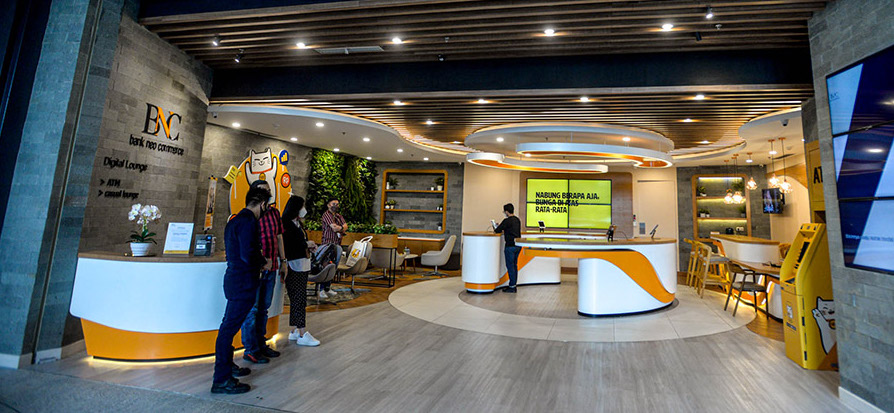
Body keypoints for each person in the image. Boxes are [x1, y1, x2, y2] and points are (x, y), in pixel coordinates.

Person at [211, 186, 272, 395]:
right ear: (262, 204)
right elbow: (248, 254)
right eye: (266, 206)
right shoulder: (249, 222)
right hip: (243, 283)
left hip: (234, 280)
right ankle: (221, 379)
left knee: (228, 327)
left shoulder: (234, 221)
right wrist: (264, 262)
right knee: (228, 329)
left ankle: (227, 367)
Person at [240, 180, 286, 364]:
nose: (267, 195)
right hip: (256, 269)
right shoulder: (249, 215)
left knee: (264, 308)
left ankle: (261, 343)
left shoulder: (274, 213)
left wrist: (283, 261)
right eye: (262, 192)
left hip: (272, 267)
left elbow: (279, 237)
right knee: (252, 310)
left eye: (268, 191)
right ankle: (251, 349)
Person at [281, 196, 321, 346]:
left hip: (302, 263)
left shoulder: (297, 224)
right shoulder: (286, 224)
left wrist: (308, 246)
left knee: (298, 298)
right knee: (298, 298)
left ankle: (294, 330)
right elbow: (289, 245)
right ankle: (302, 332)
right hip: (293, 265)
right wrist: (305, 244)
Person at [319, 197, 346, 298]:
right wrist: (341, 228)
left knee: (333, 267)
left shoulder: (338, 216)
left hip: (337, 244)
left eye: (337, 204)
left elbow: (345, 226)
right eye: (333, 204)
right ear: (328, 205)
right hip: (327, 244)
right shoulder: (326, 215)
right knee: (325, 266)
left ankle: (328, 287)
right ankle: (321, 289)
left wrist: (341, 228)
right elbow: (334, 228)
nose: (335, 206)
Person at [494, 203, 522, 293]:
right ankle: (513, 285)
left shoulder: (506, 221)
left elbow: (497, 230)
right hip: (518, 245)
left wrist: (498, 226)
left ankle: (512, 286)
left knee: (510, 266)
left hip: (510, 246)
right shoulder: (517, 220)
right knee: (514, 265)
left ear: (506, 211)